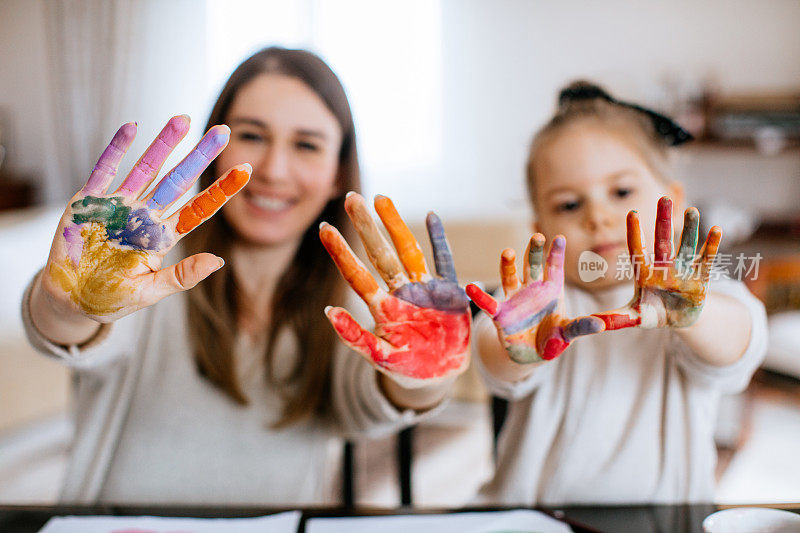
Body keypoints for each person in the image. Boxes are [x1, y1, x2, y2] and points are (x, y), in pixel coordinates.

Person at [23, 47, 462, 505]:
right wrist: (66, 304)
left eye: (307, 145)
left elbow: (373, 405)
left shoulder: (351, 310)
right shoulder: (143, 274)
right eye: (252, 135)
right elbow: (70, 335)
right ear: (215, 154)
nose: (273, 170)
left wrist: (428, 375)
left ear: (337, 172)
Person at [467, 81, 768, 505]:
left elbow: (742, 341)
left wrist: (695, 316)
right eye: (569, 205)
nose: (599, 216)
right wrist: (523, 347)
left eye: (622, 192)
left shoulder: (698, 297)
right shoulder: (539, 306)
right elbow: (492, 360)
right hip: (533, 519)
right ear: (540, 230)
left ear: (675, 204)